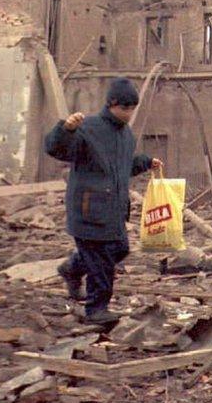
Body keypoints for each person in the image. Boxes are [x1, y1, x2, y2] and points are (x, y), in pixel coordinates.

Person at [45, 78, 163, 324]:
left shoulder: (126, 136)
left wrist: (145, 162)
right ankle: (96, 310)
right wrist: (65, 129)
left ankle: (73, 268)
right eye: (125, 108)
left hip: (113, 210)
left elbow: (122, 166)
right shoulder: (87, 128)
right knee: (100, 262)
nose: (129, 114)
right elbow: (58, 149)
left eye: (132, 108)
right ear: (111, 104)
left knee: (120, 249)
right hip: (88, 210)